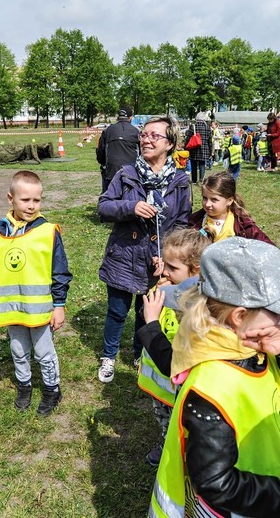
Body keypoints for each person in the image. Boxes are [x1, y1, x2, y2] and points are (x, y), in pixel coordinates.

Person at [148, 237, 280, 518]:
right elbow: (217, 484)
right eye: (277, 313)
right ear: (240, 316)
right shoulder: (210, 386)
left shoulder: (252, 342)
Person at [97, 115, 192, 383]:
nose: (146, 140)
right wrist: (130, 207)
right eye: (144, 135)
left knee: (146, 311)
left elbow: (182, 223)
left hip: (156, 262)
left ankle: (140, 353)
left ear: (170, 143)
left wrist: (167, 257)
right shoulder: (126, 174)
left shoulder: (181, 181)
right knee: (116, 312)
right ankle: (108, 356)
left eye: (154, 136)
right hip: (124, 256)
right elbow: (103, 206)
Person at [0, 171, 72, 416]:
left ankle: (52, 388)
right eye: (25, 200)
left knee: (43, 352)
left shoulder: (48, 232)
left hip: (40, 310)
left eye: (36, 200)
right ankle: (24, 385)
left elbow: (60, 271)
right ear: (11, 198)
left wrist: (59, 305)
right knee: (18, 351)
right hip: (11, 309)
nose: (31, 206)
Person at [136, 228, 211, 467]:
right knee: (164, 419)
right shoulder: (165, 289)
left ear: (196, 271)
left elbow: (175, 360)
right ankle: (166, 440)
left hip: (178, 382)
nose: (164, 272)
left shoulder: (200, 310)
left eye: (172, 268)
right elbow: (144, 313)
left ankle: (179, 452)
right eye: (164, 264)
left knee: (182, 425)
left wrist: (152, 322)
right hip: (160, 382)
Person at [190, 171, 274, 244]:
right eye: (205, 198)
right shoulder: (195, 222)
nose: (207, 204)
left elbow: (268, 248)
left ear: (229, 200)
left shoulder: (244, 226)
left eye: (214, 199)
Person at [96, 105, 139, 194]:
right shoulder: (137, 131)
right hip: (131, 172)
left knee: (109, 198)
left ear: (118, 117)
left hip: (111, 172)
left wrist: (104, 165)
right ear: (130, 118)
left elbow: (101, 151)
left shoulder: (107, 130)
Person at [184, 112, 213, 184]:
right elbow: (210, 140)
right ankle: (201, 180)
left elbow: (188, 138)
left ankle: (194, 180)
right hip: (204, 148)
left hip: (194, 148)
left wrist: (185, 147)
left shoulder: (193, 126)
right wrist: (210, 150)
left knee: (193, 164)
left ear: (196, 118)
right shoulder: (207, 127)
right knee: (202, 164)